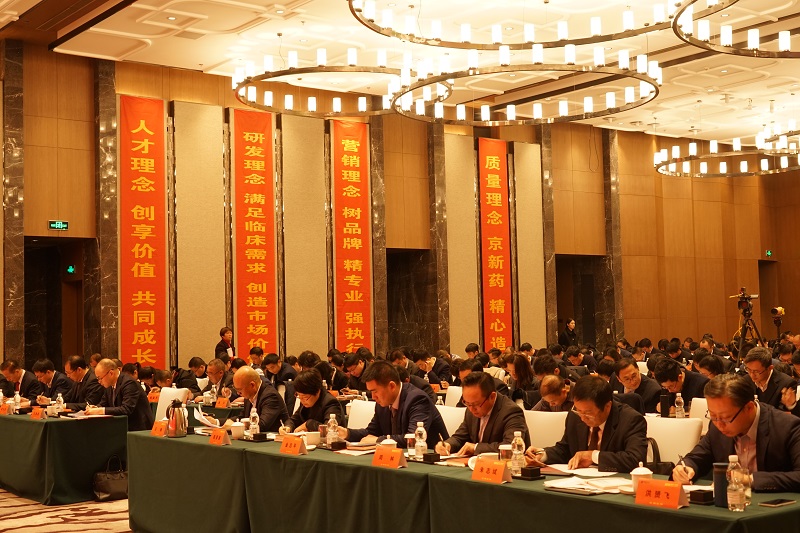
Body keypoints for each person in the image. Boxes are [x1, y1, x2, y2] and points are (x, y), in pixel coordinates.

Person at [673, 374, 800, 492]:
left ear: (749, 408)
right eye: (713, 416)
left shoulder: (788, 427)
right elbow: (697, 457)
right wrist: (685, 468)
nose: (719, 424)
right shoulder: (716, 426)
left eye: (726, 418)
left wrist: (749, 479)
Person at [526, 375, 647, 472]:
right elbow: (565, 449)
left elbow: (635, 459)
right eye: (579, 411)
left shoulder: (631, 420)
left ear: (607, 406)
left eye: (588, 413)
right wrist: (542, 454)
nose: (582, 418)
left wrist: (593, 456)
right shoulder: (575, 415)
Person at [344, 361, 447, 449]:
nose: (373, 397)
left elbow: (413, 438)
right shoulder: (383, 403)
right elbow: (371, 432)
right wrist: (347, 433)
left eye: (375, 391)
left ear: (392, 386)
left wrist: (379, 440)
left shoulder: (417, 399)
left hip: (429, 457)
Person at [436, 371, 529, 456]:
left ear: (492, 396)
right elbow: (460, 437)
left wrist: (475, 448)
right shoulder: (471, 408)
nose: (471, 409)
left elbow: (511, 447)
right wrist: (448, 444)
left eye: (476, 404)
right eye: (467, 403)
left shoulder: (511, 412)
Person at [85, 359, 155, 431]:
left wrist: (99, 411)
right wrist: (96, 407)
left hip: (138, 428)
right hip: (122, 426)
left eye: (100, 378)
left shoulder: (129, 383)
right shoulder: (109, 385)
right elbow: (104, 403)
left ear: (111, 373)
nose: (99, 382)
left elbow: (126, 409)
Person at [233, 366, 288, 433]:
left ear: (252, 385)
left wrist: (240, 426)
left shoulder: (271, 396)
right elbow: (242, 417)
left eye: (239, 390)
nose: (238, 393)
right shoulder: (249, 394)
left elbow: (262, 425)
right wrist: (227, 422)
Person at [742, 346, 797, 411]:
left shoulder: (786, 383)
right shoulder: (745, 380)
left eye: (756, 371)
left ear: (770, 368)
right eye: (748, 369)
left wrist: (791, 405)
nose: (752, 375)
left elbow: (784, 413)